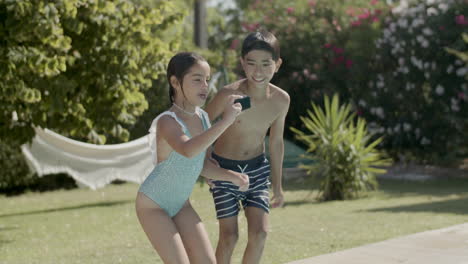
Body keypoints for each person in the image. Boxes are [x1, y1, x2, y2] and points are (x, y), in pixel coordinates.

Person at [135, 52, 250, 264]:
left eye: (206, 79)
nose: (204, 86)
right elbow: (187, 149)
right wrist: (225, 121)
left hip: (181, 204)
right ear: (175, 82)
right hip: (153, 204)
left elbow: (200, 164)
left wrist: (233, 177)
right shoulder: (167, 122)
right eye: (197, 79)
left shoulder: (203, 118)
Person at [205, 29, 290, 264]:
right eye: (251, 63)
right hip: (224, 170)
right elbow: (200, 126)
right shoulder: (229, 95)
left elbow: (276, 142)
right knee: (229, 236)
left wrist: (279, 187)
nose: (258, 71)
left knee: (260, 232)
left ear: (278, 64)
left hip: (257, 170)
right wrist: (205, 163)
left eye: (265, 64)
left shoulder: (280, 100)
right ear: (242, 63)